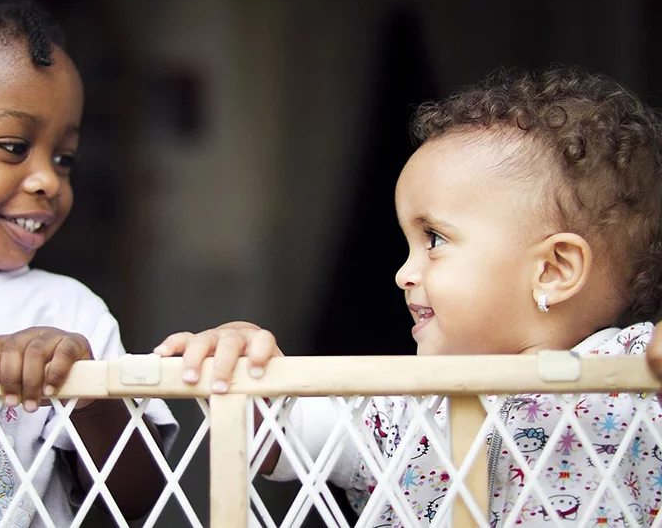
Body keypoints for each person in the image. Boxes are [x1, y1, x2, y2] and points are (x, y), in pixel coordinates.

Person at [160, 67, 662, 526]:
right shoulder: (399, 405)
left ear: (553, 270)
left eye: (435, 240)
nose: (403, 273)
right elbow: (278, 437)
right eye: (409, 244)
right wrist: (244, 358)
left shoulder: (634, 380)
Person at [0, 0, 268, 526]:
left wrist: (89, 395)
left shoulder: (65, 312)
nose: (48, 180)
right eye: (12, 146)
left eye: (64, 158)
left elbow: (137, 502)